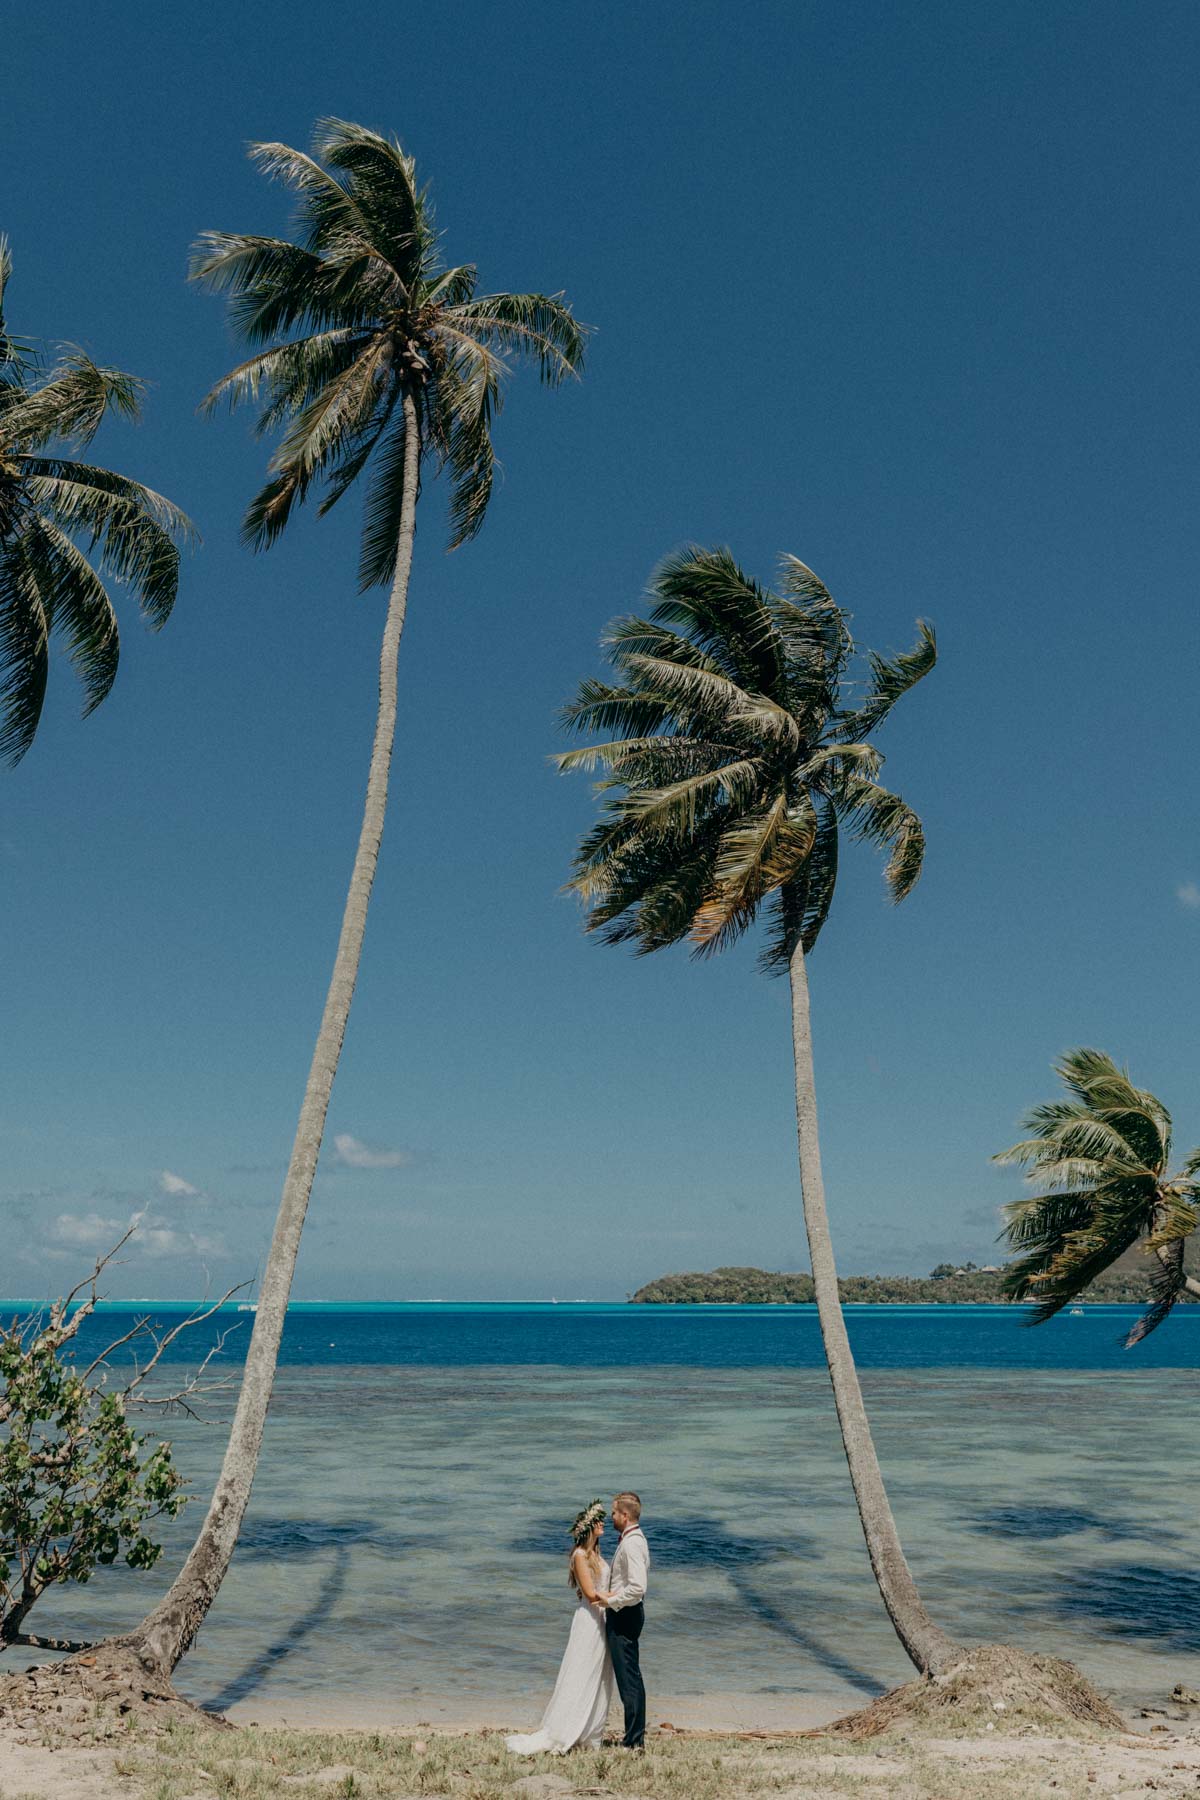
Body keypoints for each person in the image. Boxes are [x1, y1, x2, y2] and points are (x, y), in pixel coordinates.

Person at [505, 1499, 616, 1756]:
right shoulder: (579, 1556)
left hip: (602, 1618)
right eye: (598, 1521)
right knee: (581, 1671)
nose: (603, 1524)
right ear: (587, 1528)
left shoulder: (596, 1554)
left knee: (598, 1675)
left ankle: (589, 1731)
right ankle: (568, 1728)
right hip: (589, 1620)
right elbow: (589, 1594)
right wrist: (624, 1594)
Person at [602, 1491, 649, 1750]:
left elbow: (637, 1587)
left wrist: (610, 1601)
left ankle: (633, 1741)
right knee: (631, 1676)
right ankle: (634, 1737)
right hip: (628, 1612)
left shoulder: (631, 1544)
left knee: (628, 1679)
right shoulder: (634, 1540)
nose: (612, 1517)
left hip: (625, 1615)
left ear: (625, 1515)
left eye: (614, 1513)